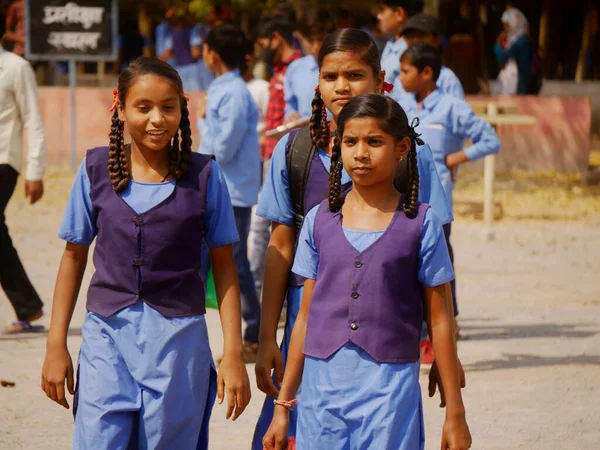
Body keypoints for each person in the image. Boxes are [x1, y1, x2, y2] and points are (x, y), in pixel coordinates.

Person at [252, 28, 456, 449]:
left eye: (355, 75)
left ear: (381, 79)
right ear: (318, 82)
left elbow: (433, 259)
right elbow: (279, 250)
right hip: (308, 333)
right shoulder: (294, 151)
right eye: (330, 76)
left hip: (387, 346)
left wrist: (445, 351)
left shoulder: (410, 154)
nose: (341, 86)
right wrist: (268, 336)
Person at [40, 57, 251, 449]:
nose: (157, 119)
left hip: (178, 345)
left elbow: (225, 268)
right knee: (99, 440)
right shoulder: (94, 171)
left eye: (168, 107)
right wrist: (56, 344)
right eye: (144, 107)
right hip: (107, 339)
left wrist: (233, 353)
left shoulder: (205, 177)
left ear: (182, 110)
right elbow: (73, 257)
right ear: (119, 108)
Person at [398, 41, 500, 323]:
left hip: (436, 202)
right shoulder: (400, 105)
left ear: (426, 73)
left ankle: (447, 323)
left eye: (406, 71)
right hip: (403, 200)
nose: (400, 77)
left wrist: (456, 158)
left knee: (438, 267)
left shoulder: (452, 107)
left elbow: (490, 140)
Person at [197, 24, 262, 362]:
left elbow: (223, 148)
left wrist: (202, 121)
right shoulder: (224, 88)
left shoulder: (233, 92)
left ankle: (254, 332)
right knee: (210, 258)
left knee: (232, 262)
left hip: (231, 190)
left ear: (213, 54)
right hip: (222, 186)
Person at [249, 15, 302, 302]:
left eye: (265, 42)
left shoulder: (297, 67)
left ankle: (268, 298)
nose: (263, 48)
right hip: (271, 153)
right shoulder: (278, 69)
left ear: (277, 38)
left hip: (287, 155)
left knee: (269, 226)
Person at [0, 24, 47, 334]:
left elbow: (33, 120)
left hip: (4, 161)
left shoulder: (16, 67)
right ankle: (28, 307)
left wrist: (35, 170)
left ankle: (28, 306)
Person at [391, 13, 465, 99]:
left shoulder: (447, 79)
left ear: (437, 40)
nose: (414, 41)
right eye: (410, 36)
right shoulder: (399, 78)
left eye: (420, 35)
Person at [284, 13, 335, 122]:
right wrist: (291, 114)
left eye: (321, 39)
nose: (316, 47)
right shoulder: (295, 69)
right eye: (310, 41)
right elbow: (290, 105)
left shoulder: (345, 66)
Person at [377, 0, 424, 84]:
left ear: (399, 14)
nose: (379, 16)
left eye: (382, 10)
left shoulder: (413, 52)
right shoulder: (390, 44)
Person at [493, 7, 532, 95]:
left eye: (507, 24)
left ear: (515, 24)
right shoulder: (513, 40)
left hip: (520, 83)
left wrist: (497, 45)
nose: (504, 27)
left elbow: (503, 57)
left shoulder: (521, 42)